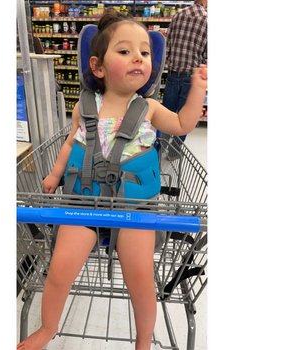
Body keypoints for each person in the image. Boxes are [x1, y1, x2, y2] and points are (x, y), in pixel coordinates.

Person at [17, 8, 207, 350]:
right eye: (124, 51)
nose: (138, 57)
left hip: (135, 210)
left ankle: (144, 340)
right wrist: (55, 174)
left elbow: (182, 125)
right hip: (82, 205)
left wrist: (198, 91)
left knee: (141, 283)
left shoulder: (149, 108)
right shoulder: (83, 107)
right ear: (98, 67)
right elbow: (71, 143)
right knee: (59, 273)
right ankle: (47, 329)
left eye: (145, 52)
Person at [162, 0, 207, 155]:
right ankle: (174, 152)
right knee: (184, 120)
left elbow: (166, 45)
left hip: (173, 75)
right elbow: (207, 58)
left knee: (166, 115)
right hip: (191, 80)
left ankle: (159, 149)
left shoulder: (178, 14)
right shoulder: (208, 20)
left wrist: (170, 62)